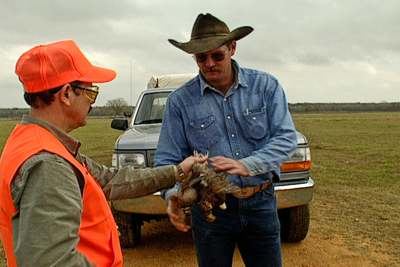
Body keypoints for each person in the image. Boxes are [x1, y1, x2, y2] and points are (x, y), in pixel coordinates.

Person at [0, 40, 208, 267]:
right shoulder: (47, 164)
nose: (91, 103)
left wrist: (177, 171)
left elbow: (111, 180)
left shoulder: (37, 142)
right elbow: (51, 261)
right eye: (91, 93)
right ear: (67, 94)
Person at [155, 13, 298, 267]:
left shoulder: (265, 86)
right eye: (201, 57)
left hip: (261, 202)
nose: (209, 63)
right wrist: (174, 196)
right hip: (209, 209)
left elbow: (286, 139)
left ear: (232, 48)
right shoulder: (180, 101)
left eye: (217, 55)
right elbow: (167, 160)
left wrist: (248, 165)